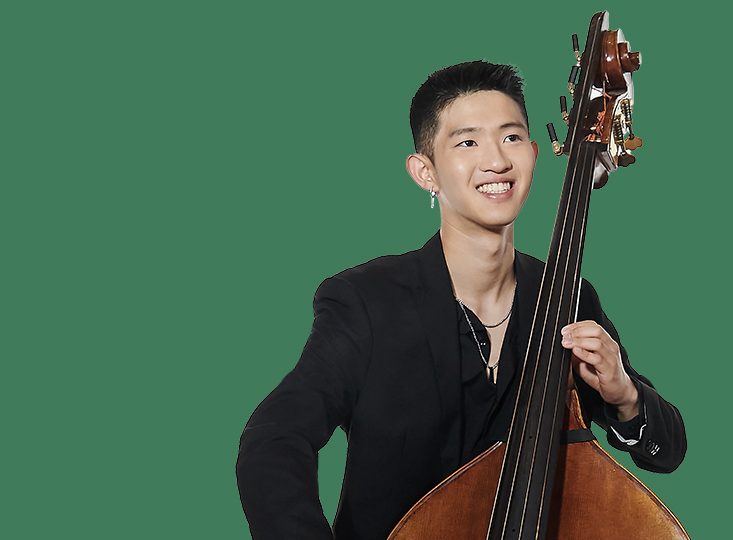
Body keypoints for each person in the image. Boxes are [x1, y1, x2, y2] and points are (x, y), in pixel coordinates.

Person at [237, 60, 685, 540]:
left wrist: (623, 395)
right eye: (467, 142)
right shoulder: (366, 302)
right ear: (424, 171)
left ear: (534, 153)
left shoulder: (566, 297)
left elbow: (669, 449)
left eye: (511, 137)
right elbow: (273, 442)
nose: (497, 160)